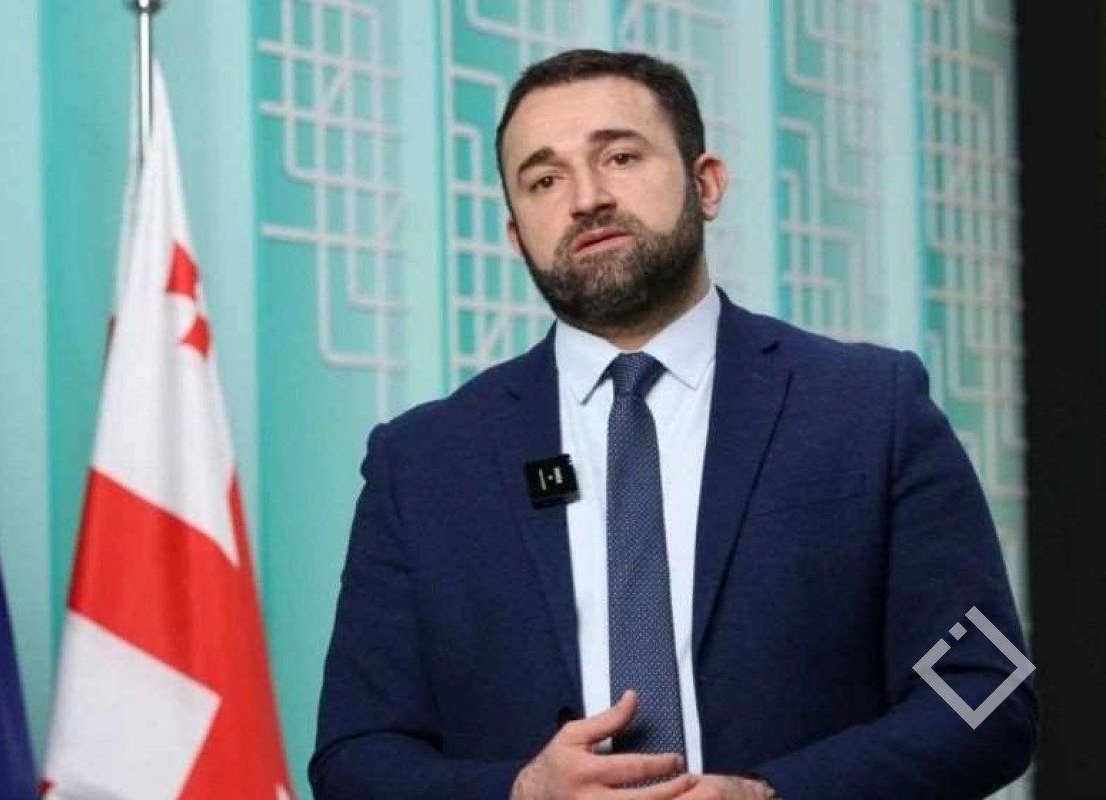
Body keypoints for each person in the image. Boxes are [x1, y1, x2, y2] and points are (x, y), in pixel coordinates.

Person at [309, 49, 1036, 800]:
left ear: (706, 183)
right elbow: (355, 757)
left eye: (620, 157)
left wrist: (770, 795)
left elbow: (985, 692)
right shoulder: (425, 463)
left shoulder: (867, 409)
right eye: (544, 179)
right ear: (517, 235)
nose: (587, 198)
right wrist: (521, 793)